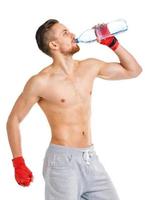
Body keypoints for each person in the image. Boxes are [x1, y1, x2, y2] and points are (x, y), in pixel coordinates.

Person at [6, 19, 142, 200]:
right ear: (53, 44)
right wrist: (18, 162)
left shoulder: (89, 66)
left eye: (69, 31)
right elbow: (13, 120)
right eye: (65, 33)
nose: (72, 34)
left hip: (90, 159)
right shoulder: (40, 82)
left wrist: (112, 43)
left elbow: (134, 71)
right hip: (62, 163)